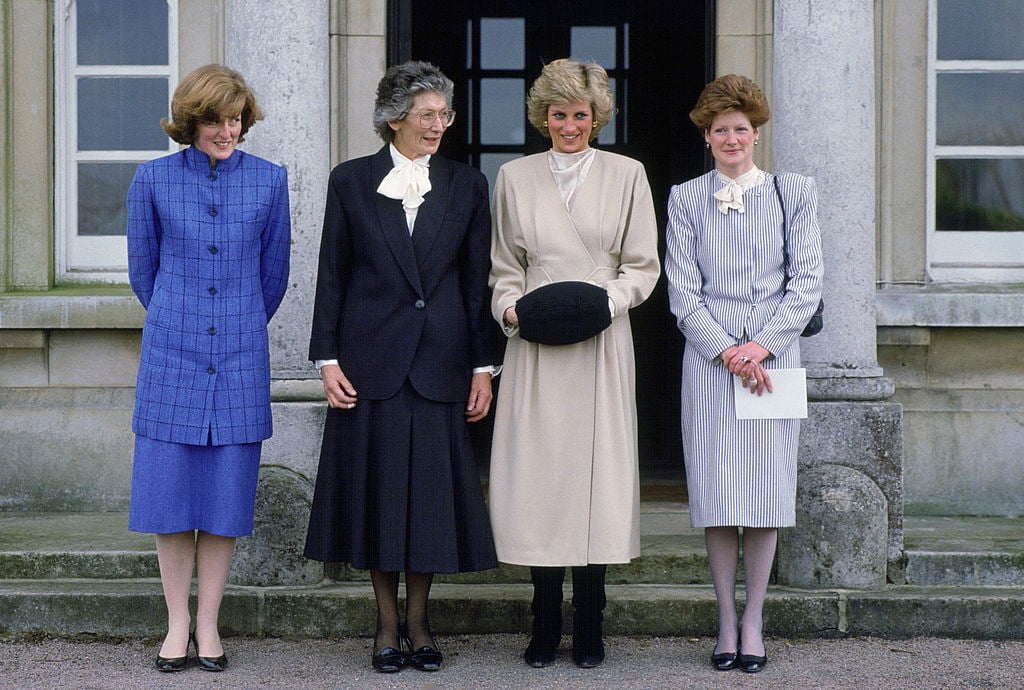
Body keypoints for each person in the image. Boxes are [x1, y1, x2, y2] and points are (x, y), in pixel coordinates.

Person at [304, 61, 499, 674]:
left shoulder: (468, 184)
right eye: (426, 115)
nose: (438, 125)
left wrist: (484, 367)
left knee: (430, 502)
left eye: (445, 114)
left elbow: (477, 282)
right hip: (370, 365)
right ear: (394, 119)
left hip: (442, 364)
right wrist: (327, 359)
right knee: (382, 499)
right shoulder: (351, 181)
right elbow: (332, 272)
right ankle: (386, 626)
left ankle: (420, 623)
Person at [488, 58, 661, 669]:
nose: (569, 125)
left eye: (580, 115)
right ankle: (543, 620)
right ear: (543, 117)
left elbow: (643, 264)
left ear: (596, 117)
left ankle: (590, 619)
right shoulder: (513, 177)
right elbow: (504, 267)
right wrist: (511, 311)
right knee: (541, 480)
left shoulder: (627, 174)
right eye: (558, 114)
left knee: (596, 479)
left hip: (601, 339)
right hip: (535, 342)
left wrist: (603, 305)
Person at [126, 64, 291, 673]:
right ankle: (176, 624)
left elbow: (273, 274)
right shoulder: (152, 180)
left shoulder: (270, 180)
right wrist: (184, 322)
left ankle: (209, 625)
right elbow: (144, 272)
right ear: (190, 122)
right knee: (169, 500)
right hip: (171, 359)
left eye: (236, 119)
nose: (228, 131)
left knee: (225, 500)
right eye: (216, 121)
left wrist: (236, 324)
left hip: (241, 361)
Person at [663, 74, 824, 674]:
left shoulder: (793, 192)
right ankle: (725, 620)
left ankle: (754, 619)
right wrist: (727, 351)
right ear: (706, 137)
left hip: (773, 361)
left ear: (756, 134)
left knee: (764, 493)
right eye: (720, 130)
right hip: (710, 363)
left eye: (741, 129)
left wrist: (760, 347)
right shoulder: (685, 197)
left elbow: (807, 281)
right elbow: (682, 290)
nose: (731, 138)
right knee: (716, 494)